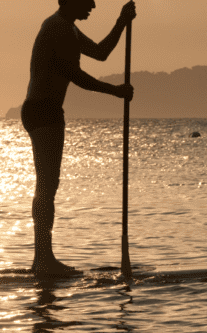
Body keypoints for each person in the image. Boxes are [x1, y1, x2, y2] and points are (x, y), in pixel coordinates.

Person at [22, 0, 136, 276]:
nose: (94, 5)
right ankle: (44, 260)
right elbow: (76, 76)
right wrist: (116, 91)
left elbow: (100, 53)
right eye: (87, 0)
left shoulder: (68, 28)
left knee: (48, 184)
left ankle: (41, 258)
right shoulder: (57, 29)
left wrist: (122, 21)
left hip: (45, 110)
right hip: (43, 111)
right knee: (47, 185)